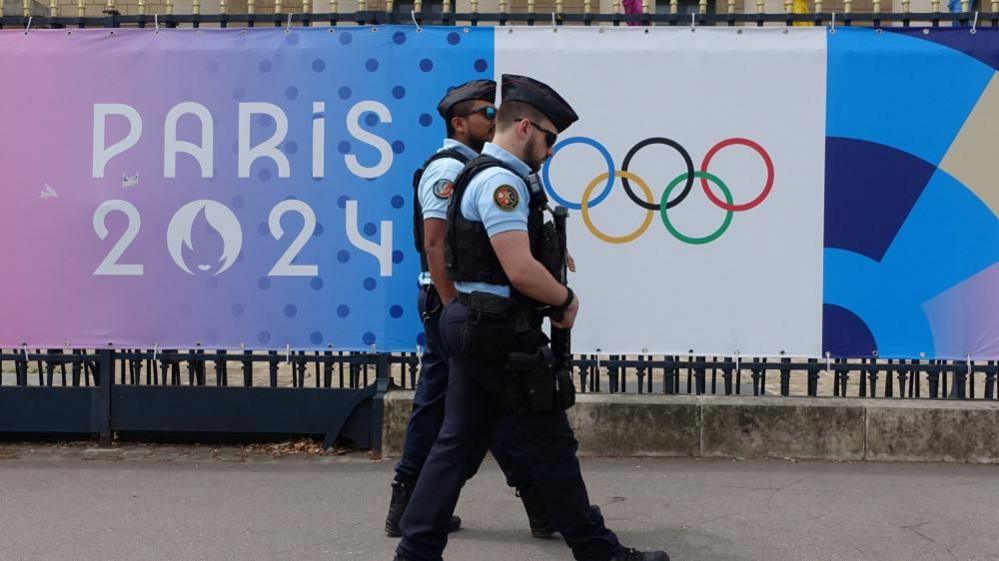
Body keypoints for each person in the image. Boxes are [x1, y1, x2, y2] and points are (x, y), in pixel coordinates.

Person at [393, 74, 670, 561]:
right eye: (549, 139)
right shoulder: (503, 183)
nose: (549, 150)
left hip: (476, 321)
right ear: (524, 127)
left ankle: (416, 551)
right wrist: (565, 299)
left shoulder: (481, 173)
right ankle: (599, 552)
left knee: (456, 445)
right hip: (500, 328)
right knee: (551, 444)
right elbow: (519, 270)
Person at [385, 79, 556, 541]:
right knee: (452, 407)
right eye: (484, 112)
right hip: (455, 304)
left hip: (467, 307)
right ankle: (409, 505)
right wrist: (450, 306)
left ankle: (415, 511)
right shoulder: (449, 169)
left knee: (472, 410)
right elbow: (435, 242)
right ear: (459, 123)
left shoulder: (483, 168)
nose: (490, 118)